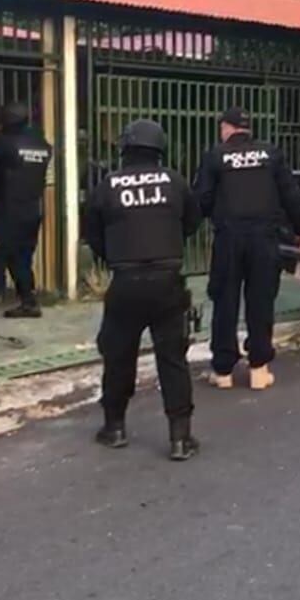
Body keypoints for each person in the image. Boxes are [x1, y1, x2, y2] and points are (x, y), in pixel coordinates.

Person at [86, 119, 203, 461]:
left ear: (125, 149)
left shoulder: (108, 185)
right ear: (159, 149)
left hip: (125, 282)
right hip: (168, 281)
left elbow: (93, 233)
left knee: (118, 356)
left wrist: (118, 256)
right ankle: (180, 439)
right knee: (172, 359)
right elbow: (193, 222)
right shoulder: (175, 181)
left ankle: (115, 428)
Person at [195, 106, 300, 391]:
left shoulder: (215, 156)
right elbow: (291, 195)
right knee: (261, 302)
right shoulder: (271, 154)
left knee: (225, 301)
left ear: (226, 128)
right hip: (264, 238)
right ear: (248, 128)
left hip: (229, 238)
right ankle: (259, 368)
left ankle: (223, 371)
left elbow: (203, 198)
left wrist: (209, 216)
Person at [0, 102, 52, 324]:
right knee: (22, 257)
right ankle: (29, 302)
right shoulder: (42, 144)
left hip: (7, 208)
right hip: (33, 210)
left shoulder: (1, 143)